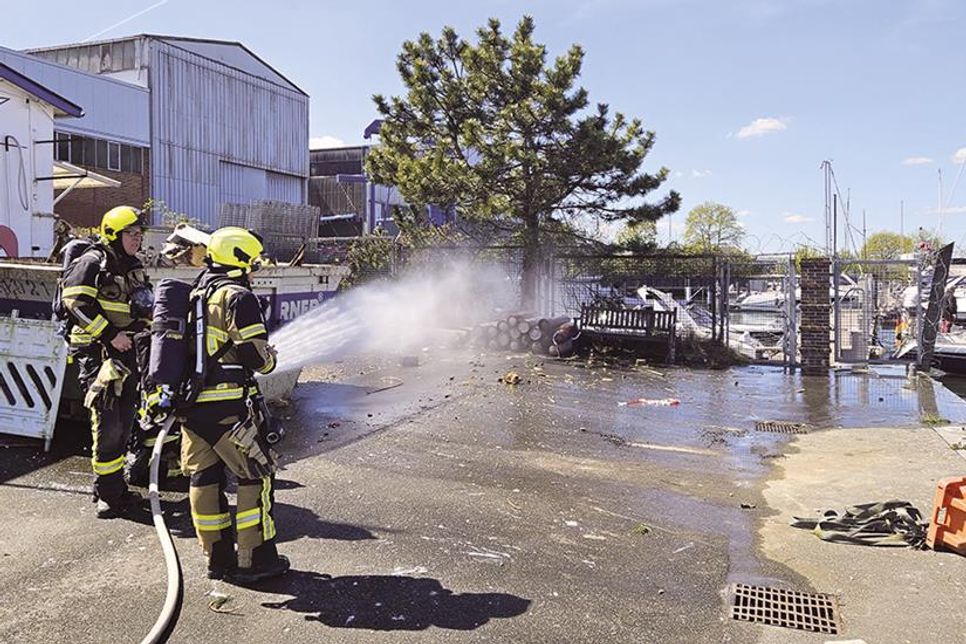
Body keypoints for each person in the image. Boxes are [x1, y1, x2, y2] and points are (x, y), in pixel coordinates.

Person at [179, 226, 289, 582]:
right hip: (229, 408)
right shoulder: (237, 297)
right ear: (239, 258)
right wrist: (270, 360)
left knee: (204, 479)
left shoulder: (196, 291)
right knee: (255, 476)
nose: (255, 270)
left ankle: (217, 558)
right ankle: (255, 560)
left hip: (192, 409)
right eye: (253, 262)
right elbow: (256, 357)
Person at [61, 205, 152, 518]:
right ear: (114, 233)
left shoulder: (133, 265)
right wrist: (110, 335)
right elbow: (75, 302)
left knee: (126, 418)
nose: (137, 239)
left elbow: (141, 303)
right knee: (109, 422)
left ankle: (113, 487)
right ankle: (108, 496)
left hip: (126, 350)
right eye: (131, 234)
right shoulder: (92, 262)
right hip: (99, 352)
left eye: (140, 234)